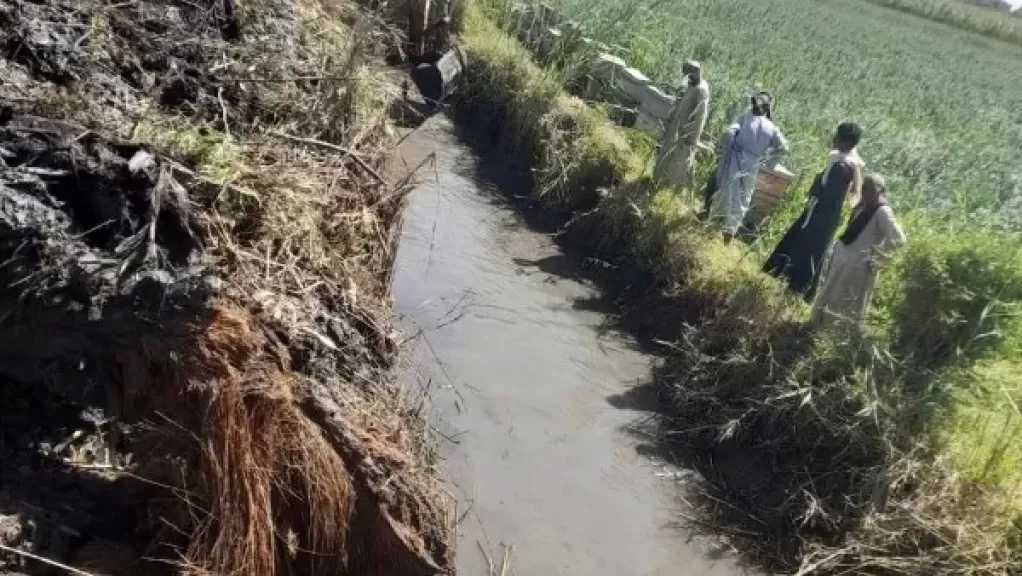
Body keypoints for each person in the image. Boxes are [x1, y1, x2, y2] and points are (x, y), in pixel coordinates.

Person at [764, 121, 866, 298]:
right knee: (804, 245)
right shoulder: (843, 160)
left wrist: (816, 189)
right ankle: (789, 282)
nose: (834, 139)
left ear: (846, 142)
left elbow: (828, 194)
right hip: (821, 212)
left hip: (822, 215)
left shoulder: (842, 167)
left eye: (838, 137)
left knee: (809, 249)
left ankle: (796, 288)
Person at [811, 174, 907, 328]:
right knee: (831, 296)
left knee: (847, 304)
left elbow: (898, 239)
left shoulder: (882, 211)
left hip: (859, 268)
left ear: (880, 191)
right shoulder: (863, 206)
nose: (866, 192)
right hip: (844, 262)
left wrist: (876, 258)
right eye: (865, 188)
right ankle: (817, 328)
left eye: (870, 189)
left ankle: (833, 338)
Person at [708, 92, 788, 237]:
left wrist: (724, 146)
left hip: (736, 157)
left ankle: (714, 219)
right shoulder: (772, 127)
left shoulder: (746, 117)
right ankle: (731, 228)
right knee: (744, 196)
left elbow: (730, 131)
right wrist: (769, 161)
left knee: (727, 188)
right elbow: (783, 148)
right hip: (753, 164)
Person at [653, 60, 710, 190]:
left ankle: (667, 189)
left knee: (677, 163)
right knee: (665, 155)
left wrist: (691, 138)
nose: (687, 78)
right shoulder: (690, 84)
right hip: (675, 127)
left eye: (690, 75)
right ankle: (655, 183)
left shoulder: (701, 90)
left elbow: (700, 118)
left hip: (685, 134)